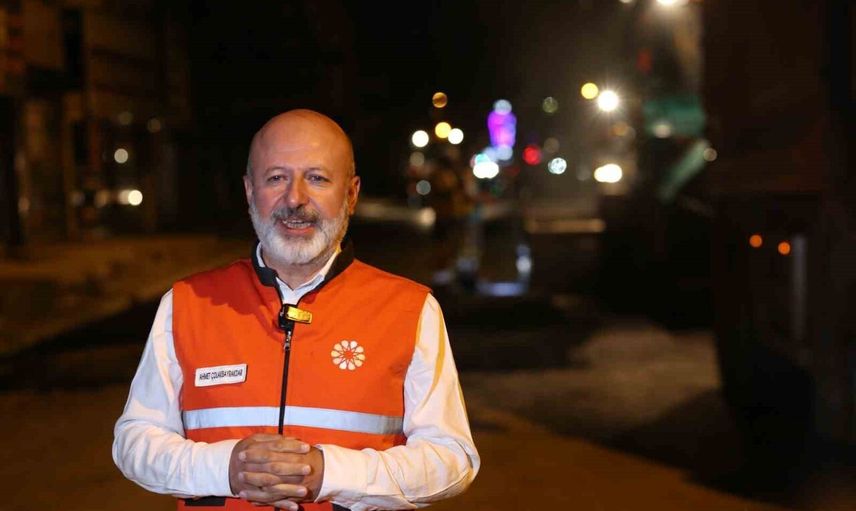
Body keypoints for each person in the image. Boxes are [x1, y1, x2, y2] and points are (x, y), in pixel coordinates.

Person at [113, 109, 480, 511]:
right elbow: (135, 441)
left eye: (317, 178)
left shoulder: (411, 310)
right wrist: (225, 468)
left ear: (351, 194)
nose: (295, 199)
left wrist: (329, 474)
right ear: (249, 191)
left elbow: (451, 459)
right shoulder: (187, 304)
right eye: (276, 178)